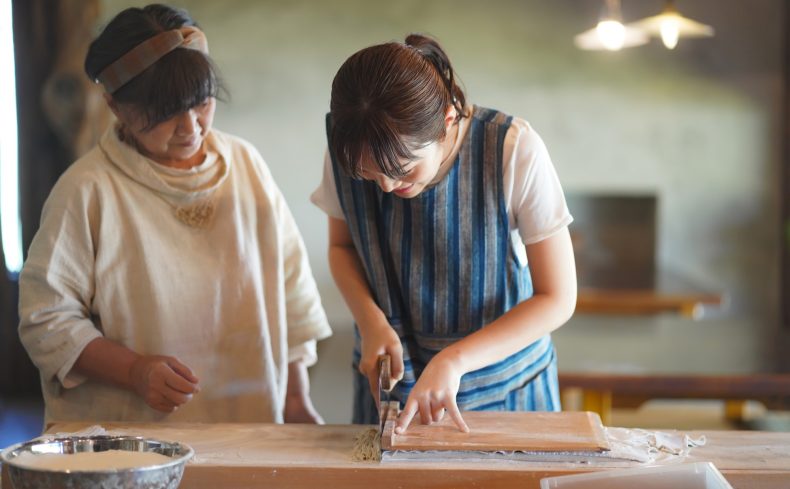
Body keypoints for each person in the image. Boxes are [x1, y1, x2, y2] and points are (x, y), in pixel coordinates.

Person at [18, 4, 331, 425]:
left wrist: (295, 398)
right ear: (114, 106)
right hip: (130, 440)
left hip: (248, 422)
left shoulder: (245, 166)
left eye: (201, 103)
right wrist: (134, 370)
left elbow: (291, 289)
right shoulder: (87, 190)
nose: (191, 128)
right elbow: (45, 319)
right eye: (164, 114)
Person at [311, 34, 576, 433]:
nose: (384, 186)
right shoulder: (349, 142)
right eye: (368, 174)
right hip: (393, 398)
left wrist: (455, 360)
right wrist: (370, 321)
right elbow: (341, 246)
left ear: (448, 120)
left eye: (404, 169)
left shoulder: (512, 150)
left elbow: (558, 298)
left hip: (504, 397)